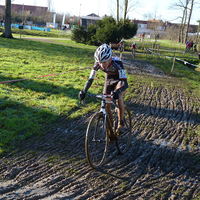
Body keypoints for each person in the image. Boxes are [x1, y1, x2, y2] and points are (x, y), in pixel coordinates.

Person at [79, 44, 128, 135]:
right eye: (100, 62)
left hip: (119, 80)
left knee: (118, 98)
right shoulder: (97, 64)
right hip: (109, 80)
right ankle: (110, 126)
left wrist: (118, 92)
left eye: (104, 62)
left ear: (109, 59)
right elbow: (90, 79)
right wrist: (84, 91)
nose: (102, 65)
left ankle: (121, 123)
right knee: (106, 104)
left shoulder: (118, 63)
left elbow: (125, 83)